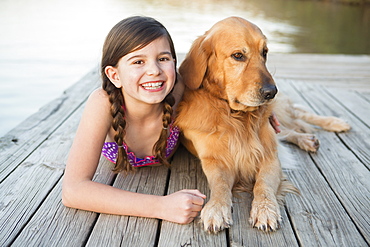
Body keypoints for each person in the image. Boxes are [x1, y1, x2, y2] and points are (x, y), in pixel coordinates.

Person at [62, 16, 206, 225]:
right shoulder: (103, 104)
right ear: (114, 75)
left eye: (163, 59)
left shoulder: (179, 88)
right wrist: (161, 206)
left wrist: (263, 113)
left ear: (174, 63)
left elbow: (224, 91)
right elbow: (73, 190)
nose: (154, 70)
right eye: (138, 61)